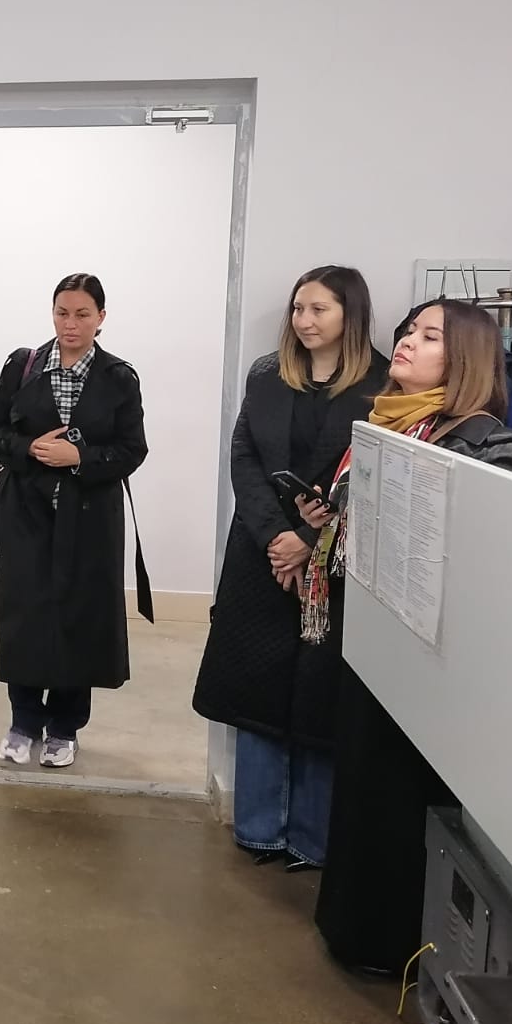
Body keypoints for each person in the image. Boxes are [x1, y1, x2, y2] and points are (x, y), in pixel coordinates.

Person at [295, 299, 512, 976]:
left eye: (430, 336)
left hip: (427, 662)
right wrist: (330, 516)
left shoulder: (486, 445)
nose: (406, 341)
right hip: (374, 643)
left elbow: (498, 562)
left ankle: (388, 946)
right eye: (409, 331)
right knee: (362, 790)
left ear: (465, 359)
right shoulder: (391, 426)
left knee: (398, 801)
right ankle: (354, 931)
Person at [191, 266, 388, 870]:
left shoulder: (382, 385)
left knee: (320, 695)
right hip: (262, 555)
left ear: (351, 314)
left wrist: (308, 539)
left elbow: (373, 480)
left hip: (334, 563)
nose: (304, 320)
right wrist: (278, 537)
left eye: (319, 309)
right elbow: (245, 458)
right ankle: (258, 828)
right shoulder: (267, 374)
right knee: (256, 686)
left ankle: (309, 838)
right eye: (298, 308)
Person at [0, 273, 148, 769]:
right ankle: (23, 721)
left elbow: (132, 449)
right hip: (25, 514)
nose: (70, 324)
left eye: (82, 314)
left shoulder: (119, 378)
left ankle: (65, 727)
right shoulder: (23, 366)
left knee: (81, 618)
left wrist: (79, 456)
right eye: (62, 313)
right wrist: (29, 448)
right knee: (25, 617)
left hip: (90, 519)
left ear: (101, 317)